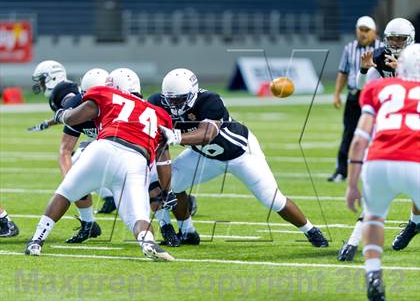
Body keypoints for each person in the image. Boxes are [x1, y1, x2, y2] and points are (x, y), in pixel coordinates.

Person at [149, 68, 329, 248]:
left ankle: (311, 230)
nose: (174, 104)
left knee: (272, 199)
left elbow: (208, 133)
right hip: (203, 155)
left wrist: (176, 136)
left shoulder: (210, 100)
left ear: (193, 93)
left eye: (179, 98)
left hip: (240, 153)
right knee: (159, 183)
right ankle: (187, 232)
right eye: (170, 99)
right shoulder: (158, 103)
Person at [25, 68, 176, 261]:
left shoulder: (106, 94)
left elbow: (72, 117)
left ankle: (37, 240)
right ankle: (147, 241)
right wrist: (167, 190)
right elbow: (164, 160)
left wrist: (60, 116)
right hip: (136, 161)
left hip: (105, 148)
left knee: (66, 191)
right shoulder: (160, 114)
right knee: (138, 215)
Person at [345, 44, 420, 301]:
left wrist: (352, 184)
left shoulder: (378, 87)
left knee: (374, 218)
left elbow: (358, 140)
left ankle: (374, 273)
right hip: (415, 162)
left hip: (378, 162)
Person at [338, 18, 417, 261]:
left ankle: (414, 224)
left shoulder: (415, 56)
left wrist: (401, 71)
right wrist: (364, 70)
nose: (395, 44)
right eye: (391, 38)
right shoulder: (380, 57)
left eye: (399, 39)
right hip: (388, 126)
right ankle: (353, 242)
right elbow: (365, 88)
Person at [30, 63, 110, 243]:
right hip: (100, 143)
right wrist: (48, 123)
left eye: (42, 80)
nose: (41, 85)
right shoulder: (75, 101)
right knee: (76, 170)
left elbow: (72, 112)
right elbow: (70, 118)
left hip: (114, 144)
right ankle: (89, 223)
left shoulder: (64, 93)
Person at [328, 16, 382, 183]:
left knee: (377, 133)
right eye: (361, 30)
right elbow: (343, 71)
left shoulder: (382, 48)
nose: (363, 33)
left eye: (367, 30)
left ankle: (375, 170)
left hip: (375, 95)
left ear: (374, 32)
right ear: (356, 30)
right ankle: (341, 171)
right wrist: (337, 93)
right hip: (354, 95)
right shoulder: (349, 48)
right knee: (349, 133)